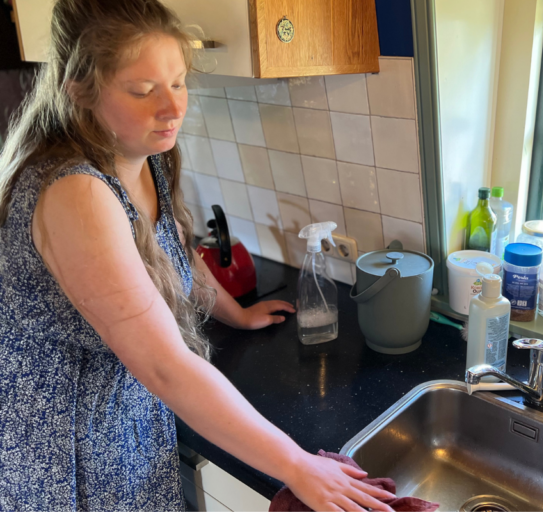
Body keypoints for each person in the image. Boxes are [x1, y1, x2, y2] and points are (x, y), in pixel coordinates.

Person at [0, 1, 396, 510]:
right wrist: (297, 464)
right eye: (143, 91)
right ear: (79, 90)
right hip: (64, 437)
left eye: (179, 83)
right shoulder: (76, 192)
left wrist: (236, 311)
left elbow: (172, 249)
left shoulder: (143, 152)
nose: (172, 108)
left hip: (126, 411)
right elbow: (165, 366)